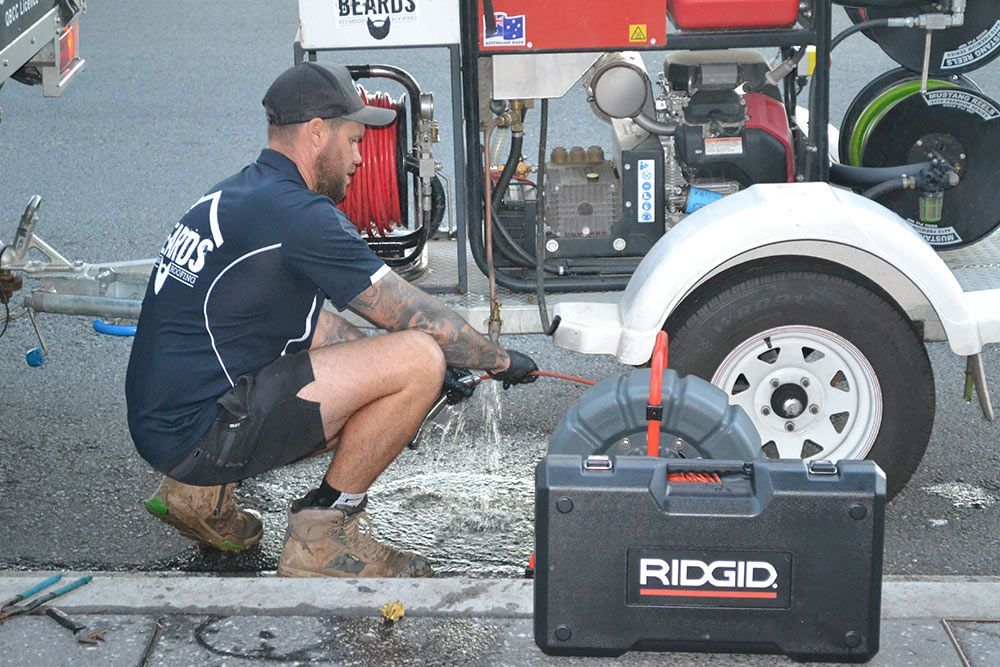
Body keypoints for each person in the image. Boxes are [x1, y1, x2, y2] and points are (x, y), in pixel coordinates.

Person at [125, 62, 538, 578]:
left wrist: (378, 376)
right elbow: (414, 315)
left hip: (165, 424)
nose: (360, 158)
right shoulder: (303, 218)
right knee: (420, 357)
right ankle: (321, 539)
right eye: (354, 140)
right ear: (317, 133)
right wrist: (497, 360)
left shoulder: (242, 195)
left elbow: (312, 327)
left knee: (397, 369)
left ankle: (194, 495)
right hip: (199, 436)